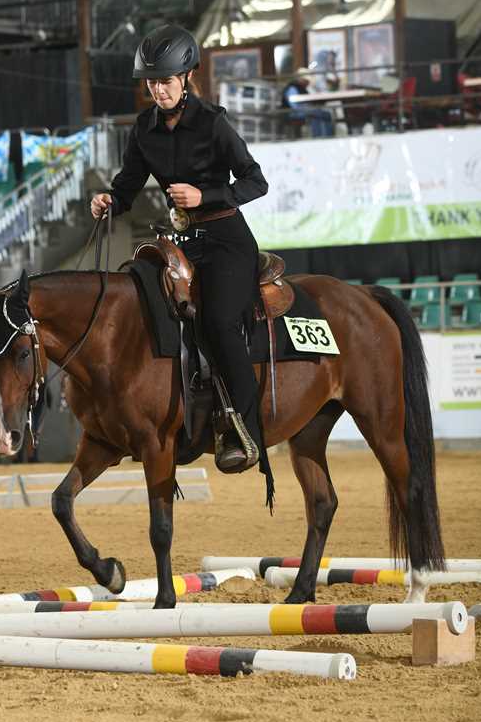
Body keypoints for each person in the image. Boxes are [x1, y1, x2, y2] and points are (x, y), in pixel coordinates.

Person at [90, 24, 269, 476]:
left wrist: (206, 196)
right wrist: (109, 199)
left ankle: (246, 431)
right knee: (149, 316)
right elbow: (127, 187)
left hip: (227, 240)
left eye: (166, 80)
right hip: (182, 243)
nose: (158, 89)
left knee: (218, 321)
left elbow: (255, 181)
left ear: (186, 77)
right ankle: (175, 420)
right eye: (151, 82)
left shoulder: (213, 123)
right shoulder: (143, 129)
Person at [281, 66, 334, 138]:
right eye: (306, 80)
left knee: (320, 114)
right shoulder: (293, 88)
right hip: (292, 112)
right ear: (301, 79)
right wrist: (310, 107)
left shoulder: (300, 88)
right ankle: (322, 136)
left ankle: (322, 136)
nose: (308, 83)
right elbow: (295, 105)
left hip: (299, 110)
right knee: (320, 114)